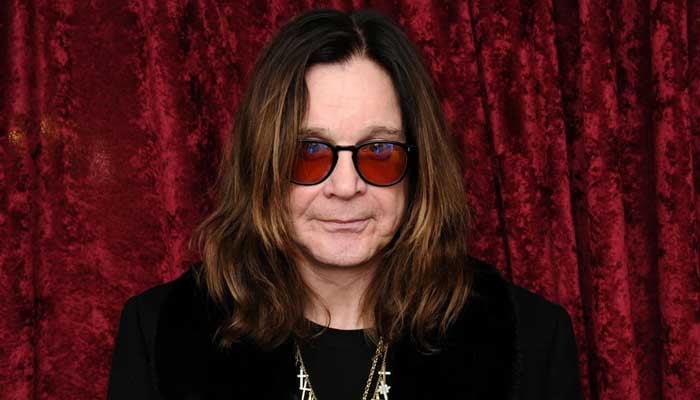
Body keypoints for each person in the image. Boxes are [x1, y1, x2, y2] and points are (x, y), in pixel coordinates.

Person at [107, 8, 582, 400]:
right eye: (310, 151)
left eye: (379, 151)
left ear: (420, 168)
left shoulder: (530, 339)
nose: (346, 185)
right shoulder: (161, 332)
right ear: (263, 164)